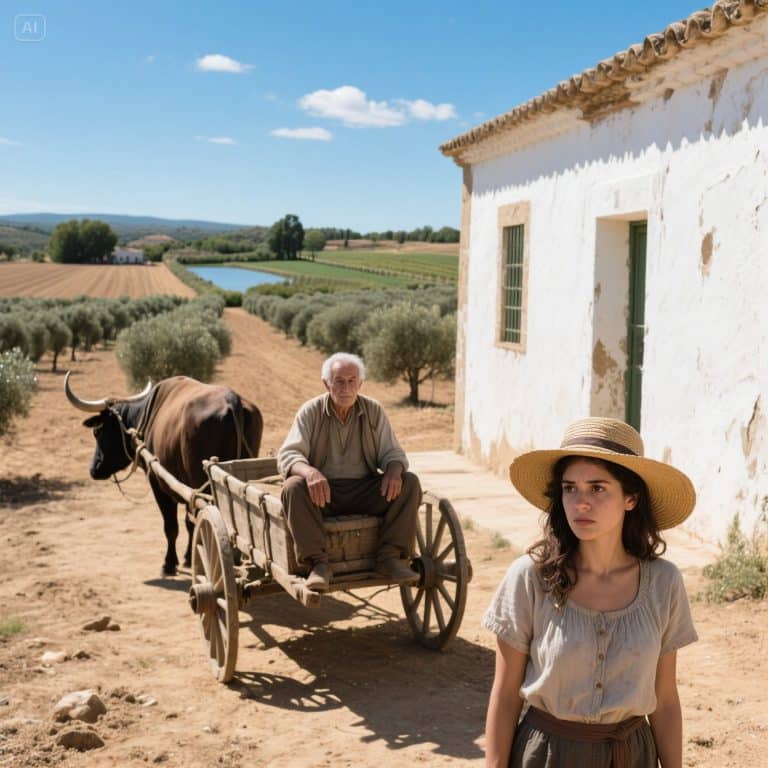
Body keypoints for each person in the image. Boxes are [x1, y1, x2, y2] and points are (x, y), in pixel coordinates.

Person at [484, 417, 698, 768]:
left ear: (630, 498)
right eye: (570, 488)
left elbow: (666, 698)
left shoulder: (664, 583)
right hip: (547, 757)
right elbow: (505, 695)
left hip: (632, 756)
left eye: (597, 488)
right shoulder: (530, 579)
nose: (580, 503)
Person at [277, 352, 421, 592]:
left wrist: (394, 470)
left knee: (410, 482)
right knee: (292, 487)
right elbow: (289, 454)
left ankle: (389, 558)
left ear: (360, 384)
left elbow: (393, 454)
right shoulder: (310, 411)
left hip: (364, 491)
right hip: (322, 496)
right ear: (327, 384)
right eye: (339, 381)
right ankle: (319, 565)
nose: (346, 388)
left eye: (352, 381)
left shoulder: (373, 410)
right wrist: (310, 472)